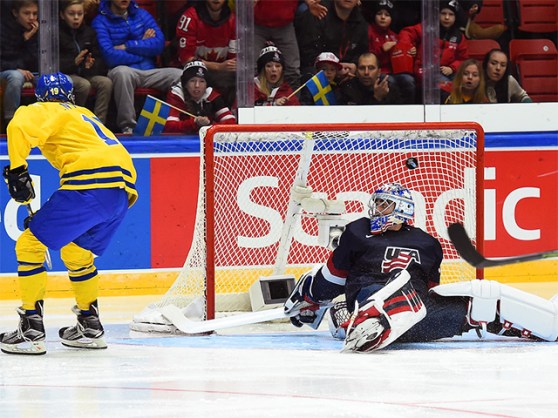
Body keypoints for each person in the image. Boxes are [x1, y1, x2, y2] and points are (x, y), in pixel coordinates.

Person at [284, 182, 558, 352]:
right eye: (376, 203)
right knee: (389, 288)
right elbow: (333, 277)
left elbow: (432, 290)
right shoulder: (358, 230)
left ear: (402, 209)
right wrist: (310, 298)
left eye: (384, 204)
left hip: (417, 315)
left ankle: (548, 323)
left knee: (481, 299)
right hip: (371, 294)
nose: (376, 209)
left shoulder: (428, 243)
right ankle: (372, 318)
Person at [0, 73, 138, 355]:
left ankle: (31, 329)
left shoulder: (44, 108)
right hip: (121, 192)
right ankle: (90, 326)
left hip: (89, 184)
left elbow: (18, 125)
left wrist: (17, 170)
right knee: (77, 253)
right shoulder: (85, 114)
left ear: (40, 96)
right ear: (72, 96)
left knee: (29, 244)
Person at [92, 0, 182, 134]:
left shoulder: (142, 14)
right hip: (124, 69)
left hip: (150, 71)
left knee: (181, 75)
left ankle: (174, 123)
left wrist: (128, 46)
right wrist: (144, 49)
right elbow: (110, 56)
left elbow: (159, 44)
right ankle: (128, 127)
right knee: (122, 73)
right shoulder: (100, 21)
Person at [59, 0, 113, 125]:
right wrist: (73, 63)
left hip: (85, 73)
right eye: (71, 14)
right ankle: (76, 122)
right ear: (62, 15)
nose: (76, 17)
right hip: (65, 74)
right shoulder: (56, 33)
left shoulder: (89, 32)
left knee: (106, 83)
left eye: (80, 14)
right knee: (83, 85)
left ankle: (98, 124)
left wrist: (90, 66)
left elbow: (99, 59)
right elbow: (52, 64)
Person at [175, 0, 237, 108]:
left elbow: (233, 59)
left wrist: (227, 67)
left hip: (222, 74)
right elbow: (186, 59)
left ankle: (228, 114)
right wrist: (218, 66)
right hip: (192, 71)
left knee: (239, 80)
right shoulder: (190, 18)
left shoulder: (234, 20)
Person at [398, 0, 468, 86]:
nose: (447, 17)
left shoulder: (459, 36)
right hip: (425, 71)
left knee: (465, 82)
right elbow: (406, 33)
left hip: (447, 72)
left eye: (451, 14)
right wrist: (409, 46)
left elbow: (462, 59)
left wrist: (452, 68)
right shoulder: (426, 28)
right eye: (443, 13)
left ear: (456, 17)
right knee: (447, 85)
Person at [295, 0, 368, 81]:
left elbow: (362, 51)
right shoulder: (318, 11)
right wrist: (334, 67)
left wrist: (354, 65)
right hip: (319, 70)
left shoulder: (361, 19)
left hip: (347, 74)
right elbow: (307, 52)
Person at [163, 60, 236, 134]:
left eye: (202, 81)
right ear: (185, 84)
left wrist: (209, 126)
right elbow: (169, 127)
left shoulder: (212, 95)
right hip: (181, 139)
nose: (197, 85)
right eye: (192, 81)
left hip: (207, 137)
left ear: (206, 84)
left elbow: (231, 122)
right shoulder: (176, 95)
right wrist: (194, 122)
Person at [366, 0, 416, 104]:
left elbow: (401, 54)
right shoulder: (368, 32)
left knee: (408, 80)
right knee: (390, 82)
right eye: (379, 13)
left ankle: (409, 109)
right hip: (378, 72)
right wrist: (382, 49)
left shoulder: (394, 35)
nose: (383, 17)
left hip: (395, 71)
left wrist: (411, 52)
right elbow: (365, 56)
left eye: (387, 15)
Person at [0, 0, 39, 130]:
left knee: (49, 79)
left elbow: (37, 61)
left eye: (35, 13)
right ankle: (10, 122)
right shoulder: (4, 30)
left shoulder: (38, 32)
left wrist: (29, 40)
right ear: (15, 13)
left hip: (29, 72)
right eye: (27, 13)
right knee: (15, 77)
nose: (32, 18)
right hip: (6, 70)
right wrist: (17, 68)